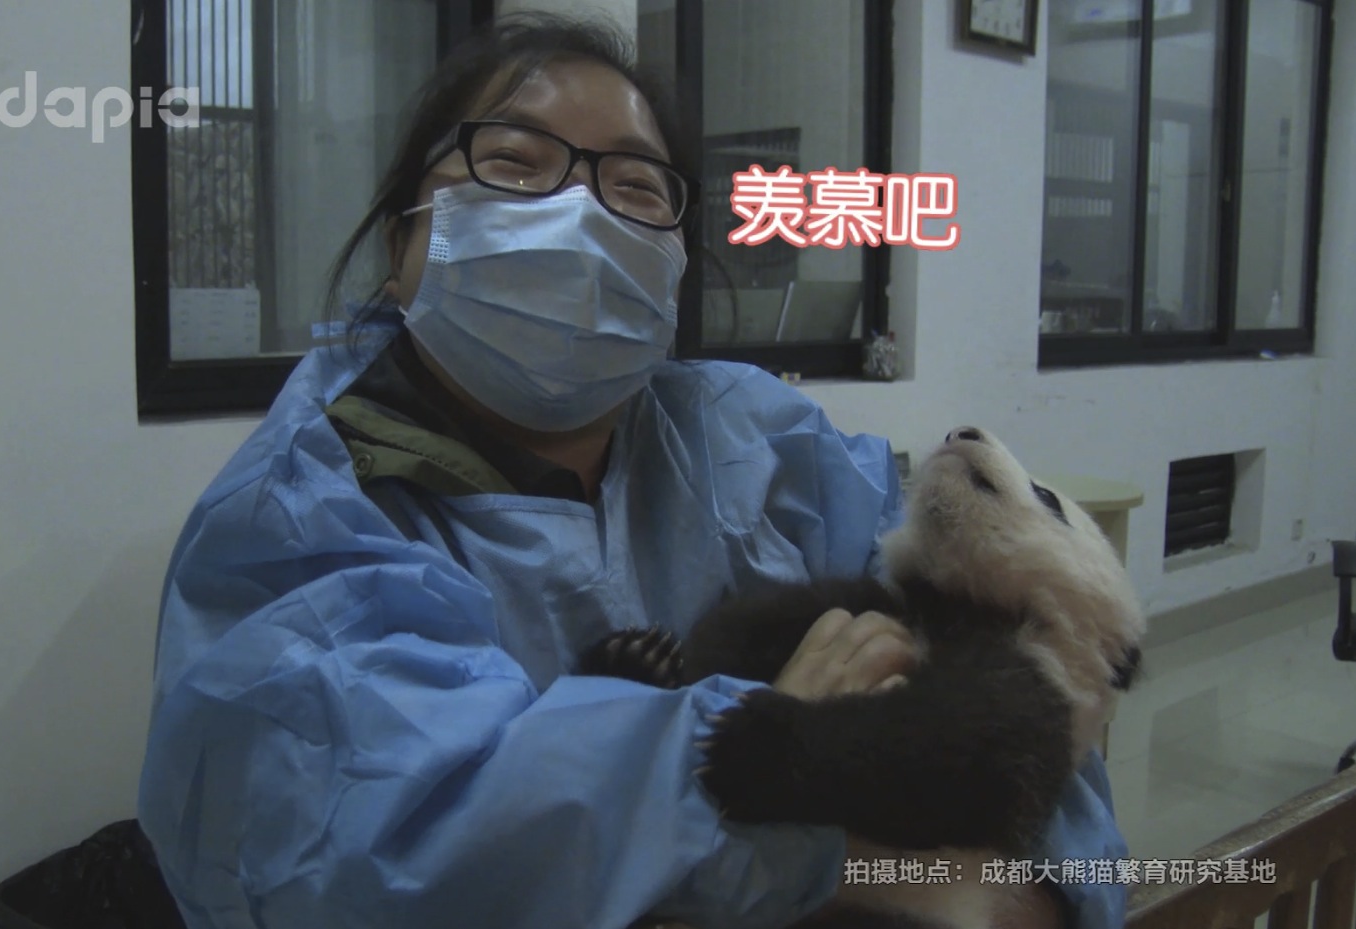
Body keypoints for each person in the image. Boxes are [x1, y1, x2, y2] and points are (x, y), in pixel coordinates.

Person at [136, 12, 1131, 929]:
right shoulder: (300, 517)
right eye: (513, 163)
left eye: (636, 188)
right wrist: (795, 777)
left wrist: (1014, 886)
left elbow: (1029, 694)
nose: (580, 215)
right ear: (402, 240)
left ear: (674, 263)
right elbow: (381, 857)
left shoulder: (764, 438)